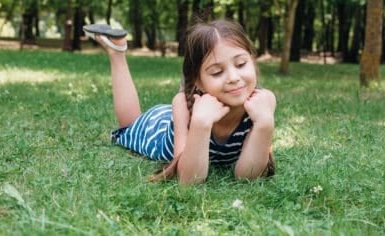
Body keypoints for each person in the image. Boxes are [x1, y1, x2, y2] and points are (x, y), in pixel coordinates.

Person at [83, 19, 276, 184]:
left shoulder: (263, 102)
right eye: (217, 72)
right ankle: (117, 52)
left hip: (180, 117)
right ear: (198, 81)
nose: (233, 77)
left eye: (241, 64)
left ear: (252, 60)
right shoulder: (183, 104)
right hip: (157, 127)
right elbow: (189, 180)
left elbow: (246, 177)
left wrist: (265, 124)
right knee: (129, 125)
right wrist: (200, 123)